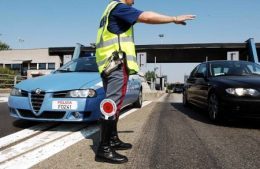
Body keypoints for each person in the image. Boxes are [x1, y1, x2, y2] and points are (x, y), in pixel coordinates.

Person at [95, 0, 196, 164]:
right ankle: (104, 149)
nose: (134, 0)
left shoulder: (108, 10)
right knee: (111, 106)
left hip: (109, 65)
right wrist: (173, 18)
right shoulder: (119, 8)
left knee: (115, 104)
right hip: (116, 65)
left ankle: (112, 139)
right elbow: (146, 17)